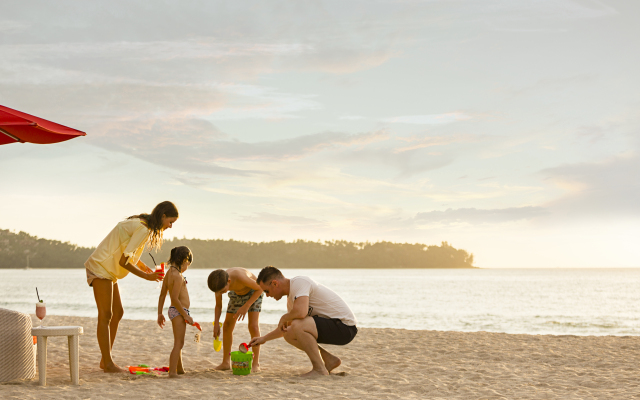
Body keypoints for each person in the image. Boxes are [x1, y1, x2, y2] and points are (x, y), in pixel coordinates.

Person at [84, 201, 178, 373]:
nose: (171, 226)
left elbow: (128, 253)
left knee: (117, 312)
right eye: (170, 222)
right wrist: (147, 276)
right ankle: (108, 363)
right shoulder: (143, 229)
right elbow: (124, 261)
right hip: (101, 267)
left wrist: (144, 268)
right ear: (163, 216)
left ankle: (105, 360)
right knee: (105, 315)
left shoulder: (143, 225)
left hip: (108, 270)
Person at [249, 266, 358, 377]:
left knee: (297, 324)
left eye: (266, 291)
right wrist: (263, 339)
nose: (267, 295)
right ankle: (329, 360)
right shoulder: (292, 300)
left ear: (275, 284)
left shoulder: (299, 282)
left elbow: (301, 313)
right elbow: (286, 328)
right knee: (289, 333)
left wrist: (283, 318)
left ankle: (319, 370)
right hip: (333, 327)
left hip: (345, 327)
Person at [207, 268, 264, 373]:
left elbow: (260, 288)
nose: (222, 293)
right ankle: (225, 362)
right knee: (227, 325)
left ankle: (256, 363)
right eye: (219, 292)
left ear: (229, 281)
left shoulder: (240, 277)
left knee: (253, 326)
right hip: (236, 294)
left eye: (223, 291)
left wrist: (246, 306)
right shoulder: (218, 284)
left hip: (254, 292)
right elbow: (218, 305)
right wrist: (216, 324)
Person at [157, 246, 194, 378]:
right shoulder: (177, 276)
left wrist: (159, 313)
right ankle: (172, 372)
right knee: (179, 343)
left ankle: (180, 369)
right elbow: (174, 298)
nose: (187, 267)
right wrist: (186, 315)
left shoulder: (168, 274)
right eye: (188, 264)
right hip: (179, 311)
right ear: (184, 260)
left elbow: (162, 295)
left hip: (174, 311)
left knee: (178, 341)